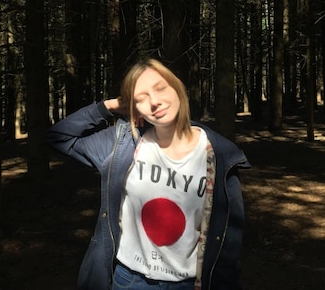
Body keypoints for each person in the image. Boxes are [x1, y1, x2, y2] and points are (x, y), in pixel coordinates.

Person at [46, 58, 250, 290]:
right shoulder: (123, 143)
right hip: (128, 280)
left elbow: (229, 240)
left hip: (188, 284)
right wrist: (108, 106)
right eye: (140, 98)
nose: (154, 102)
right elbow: (59, 137)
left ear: (178, 88)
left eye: (160, 88)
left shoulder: (221, 156)